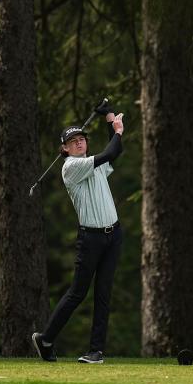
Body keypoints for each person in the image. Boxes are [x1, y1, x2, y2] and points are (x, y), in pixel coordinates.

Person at [32, 104, 124, 364]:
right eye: (73, 141)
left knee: (103, 293)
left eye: (82, 139)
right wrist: (117, 130)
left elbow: (113, 153)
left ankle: (96, 351)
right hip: (91, 239)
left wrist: (109, 118)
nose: (79, 142)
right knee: (78, 293)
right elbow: (112, 150)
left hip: (113, 235)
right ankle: (46, 339)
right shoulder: (72, 167)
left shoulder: (93, 163)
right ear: (65, 149)